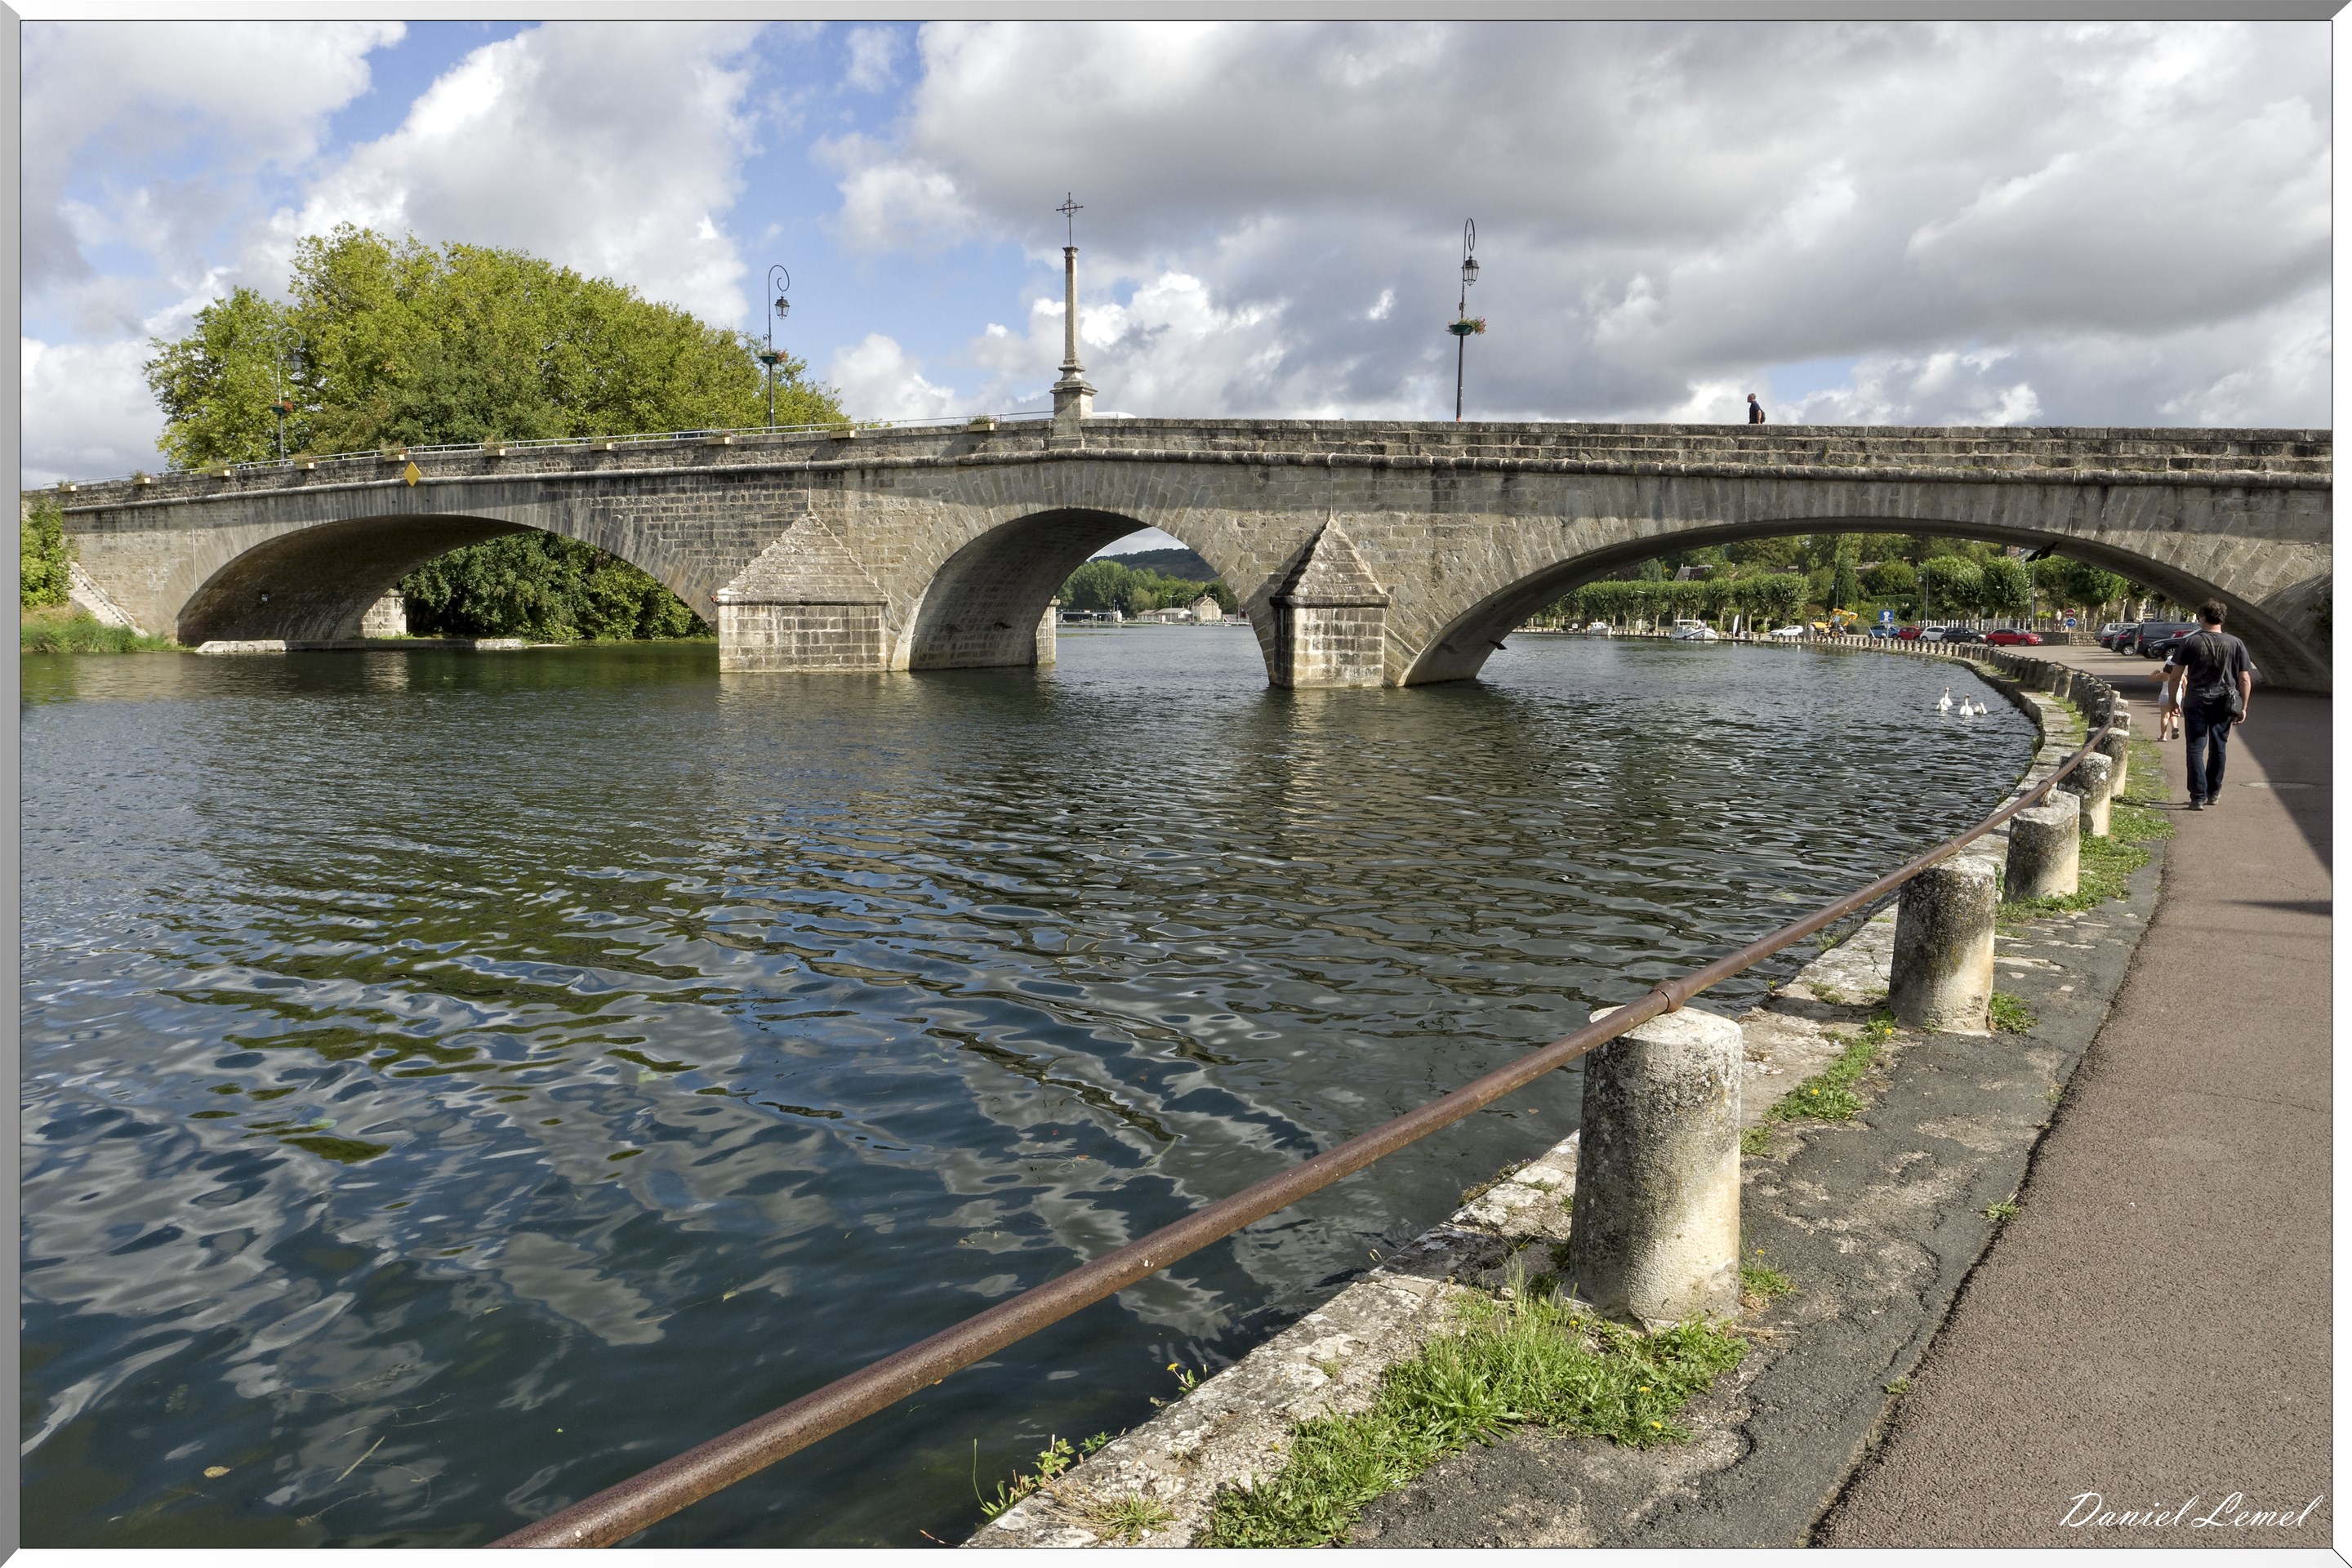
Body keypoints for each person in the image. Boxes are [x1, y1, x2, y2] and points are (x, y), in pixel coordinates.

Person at [2174, 599, 2255, 810]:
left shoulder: (2191, 642)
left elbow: (2175, 676)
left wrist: (2175, 699)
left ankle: (2197, 796)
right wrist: (2243, 706)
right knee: (2219, 747)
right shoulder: (2236, 643)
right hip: (2225, 702)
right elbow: (2245, 678)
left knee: (2195, 748)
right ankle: (2213, 792)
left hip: (2196, 700)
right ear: (2222, 619)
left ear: (2202, 618)